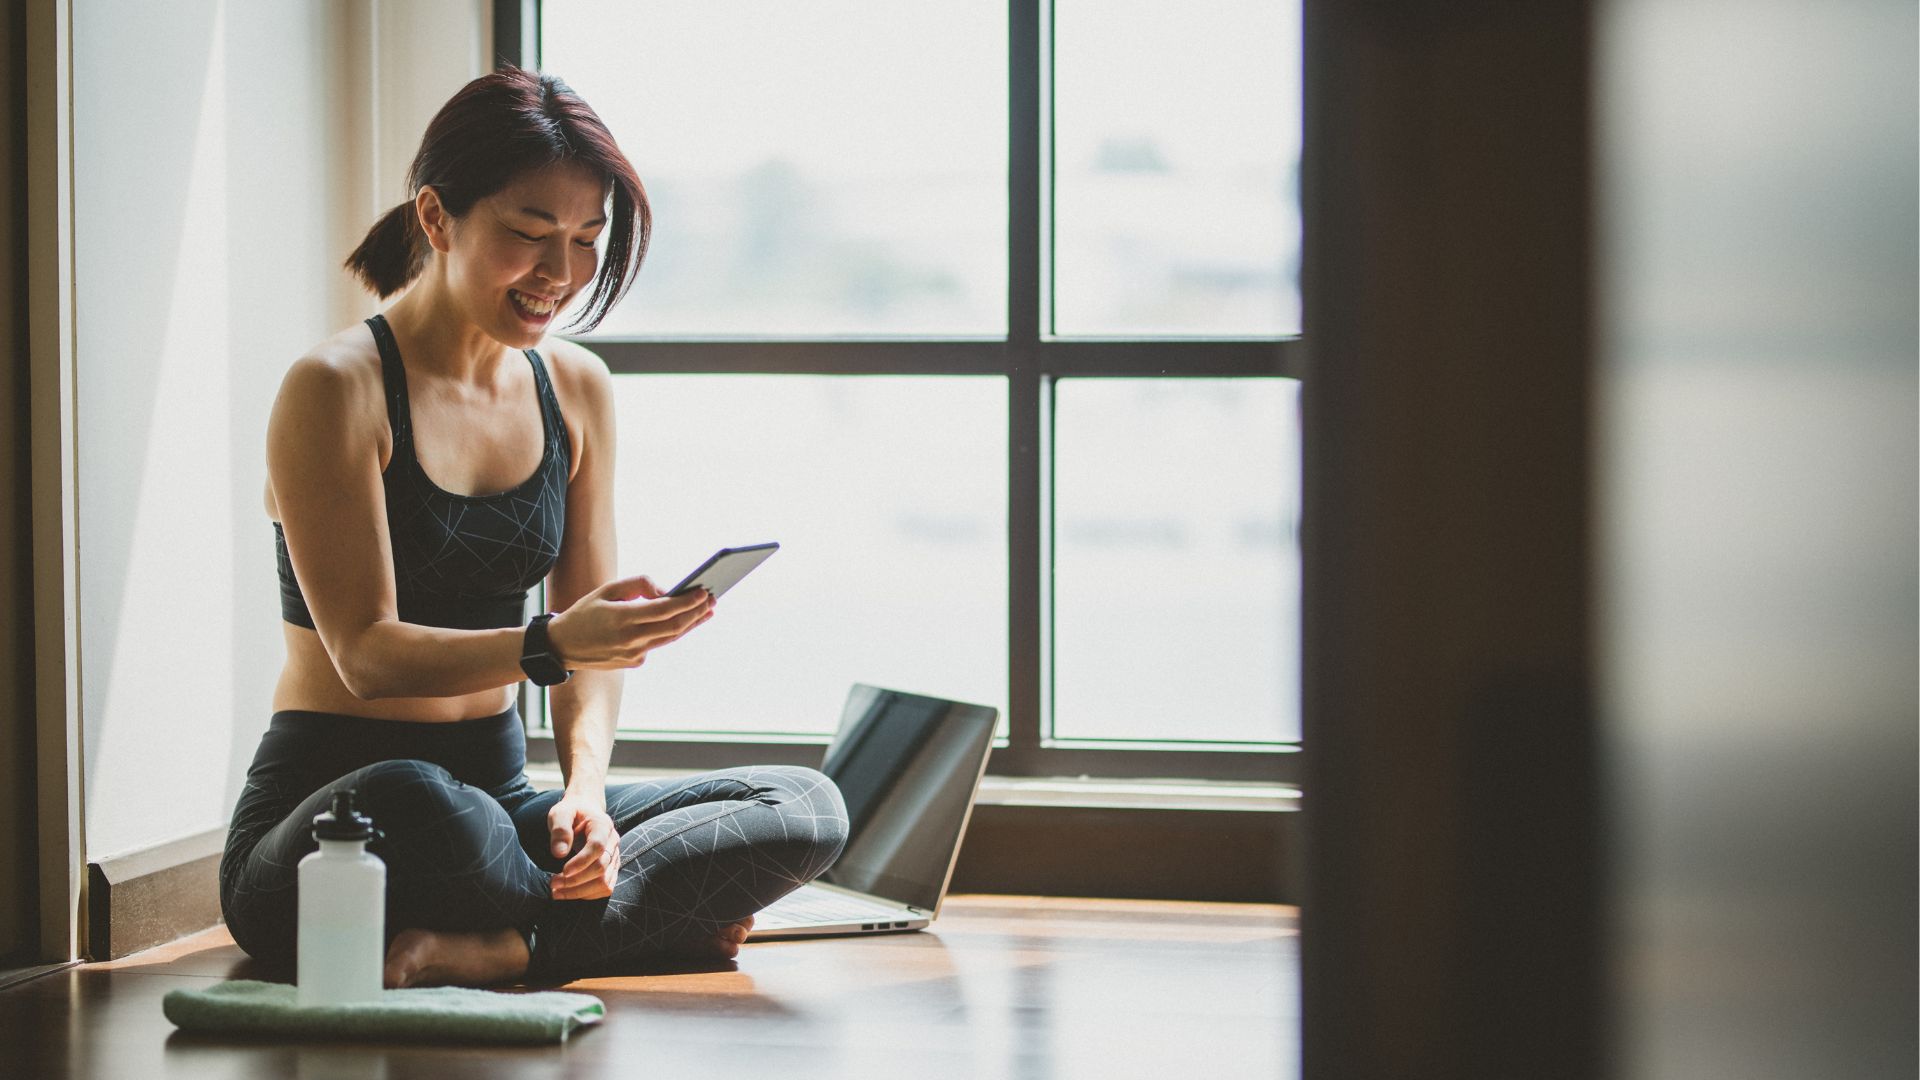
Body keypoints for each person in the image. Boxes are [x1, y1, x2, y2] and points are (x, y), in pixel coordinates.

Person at [218, 67, 849, 989]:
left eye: (587, 240)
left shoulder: (577, 388)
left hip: (504, 800)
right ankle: (630, 924)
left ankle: (511, 945)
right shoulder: (335, 389)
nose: (560, 275)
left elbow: (588, 648)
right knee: (421, 800)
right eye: (528, 236)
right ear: (437, 219)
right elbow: (366, 654)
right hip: (343, 817)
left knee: (804, 804)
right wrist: (550, 643)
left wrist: (586, 798)